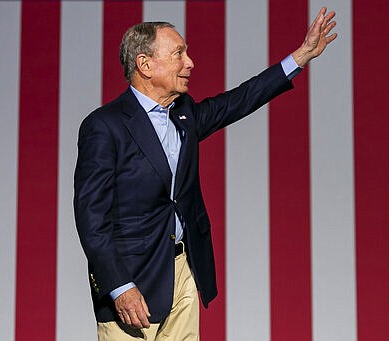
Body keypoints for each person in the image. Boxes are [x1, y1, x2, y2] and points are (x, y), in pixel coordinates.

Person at [74, 7, 336, 341]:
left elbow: (239, 100)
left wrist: (300, 57)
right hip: (132, 281)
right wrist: (119, 286)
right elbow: (90, 217)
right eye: (178, 54)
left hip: (183, 272)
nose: (190, 63)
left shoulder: (184, 114)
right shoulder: (104, 126)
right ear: (145, 64)